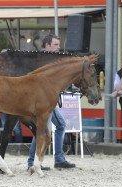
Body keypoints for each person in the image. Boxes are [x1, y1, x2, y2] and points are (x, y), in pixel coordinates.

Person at [27, 34, 76, 170]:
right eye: (56, 45)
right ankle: (34, 162)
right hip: (42, 100)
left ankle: (55, 159)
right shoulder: (44, 61)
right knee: (44, 128)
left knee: (56, 126)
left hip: (46, 99)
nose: (59, 48)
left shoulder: (49, 61)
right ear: (47, 46)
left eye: (59, 45)